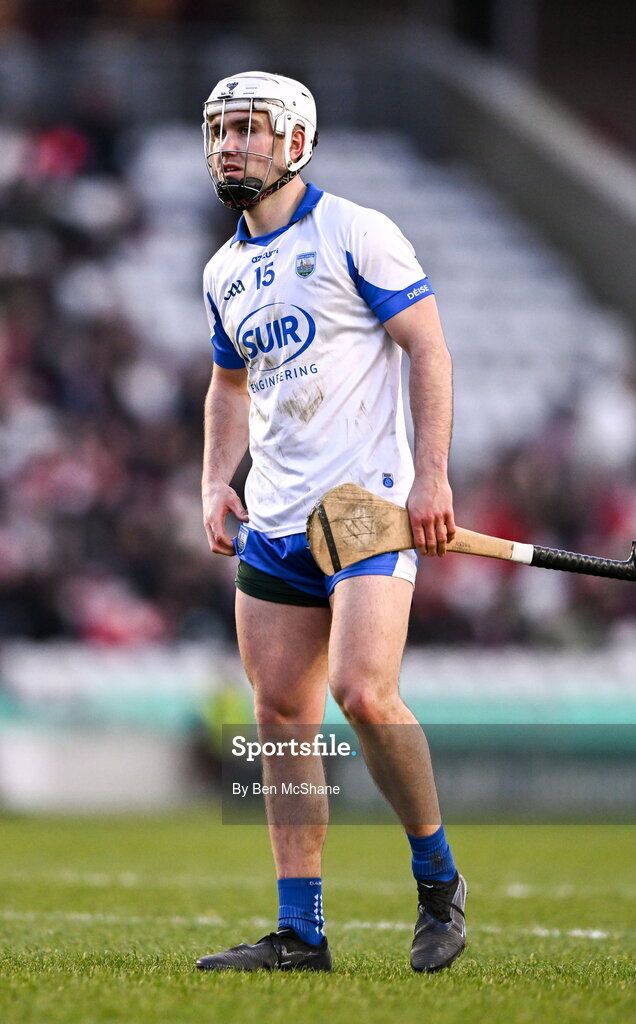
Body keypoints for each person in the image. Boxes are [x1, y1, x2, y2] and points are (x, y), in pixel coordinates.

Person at [197, 71, 466, 974]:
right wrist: (213, 482)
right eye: (220, 130)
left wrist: (430, 477)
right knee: (280, 718)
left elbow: (426, 348)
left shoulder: (357, 232)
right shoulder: (222, 270)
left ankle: (437, 881)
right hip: (273, 518)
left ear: (296, 141)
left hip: (365, 505)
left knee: (362, 691)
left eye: (248, 129)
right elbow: (228, 383)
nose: (230, 145)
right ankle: (300, 934)